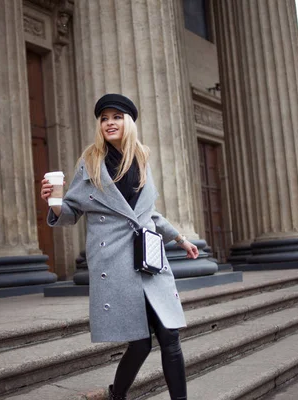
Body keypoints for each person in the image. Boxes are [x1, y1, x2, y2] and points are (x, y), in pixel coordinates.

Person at [41, 93, 198, 400]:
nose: (109, 123)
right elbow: (71, 212)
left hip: (149, 259)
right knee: (140, 343)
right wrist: (54, 202)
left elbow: (148, 212)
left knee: (169, 335)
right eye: (104, 118)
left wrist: (180, 238)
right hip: (115, 261)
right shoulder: (90, 164)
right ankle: (118, 394)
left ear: (128, 122)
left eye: (116, 117)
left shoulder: (141, 158)